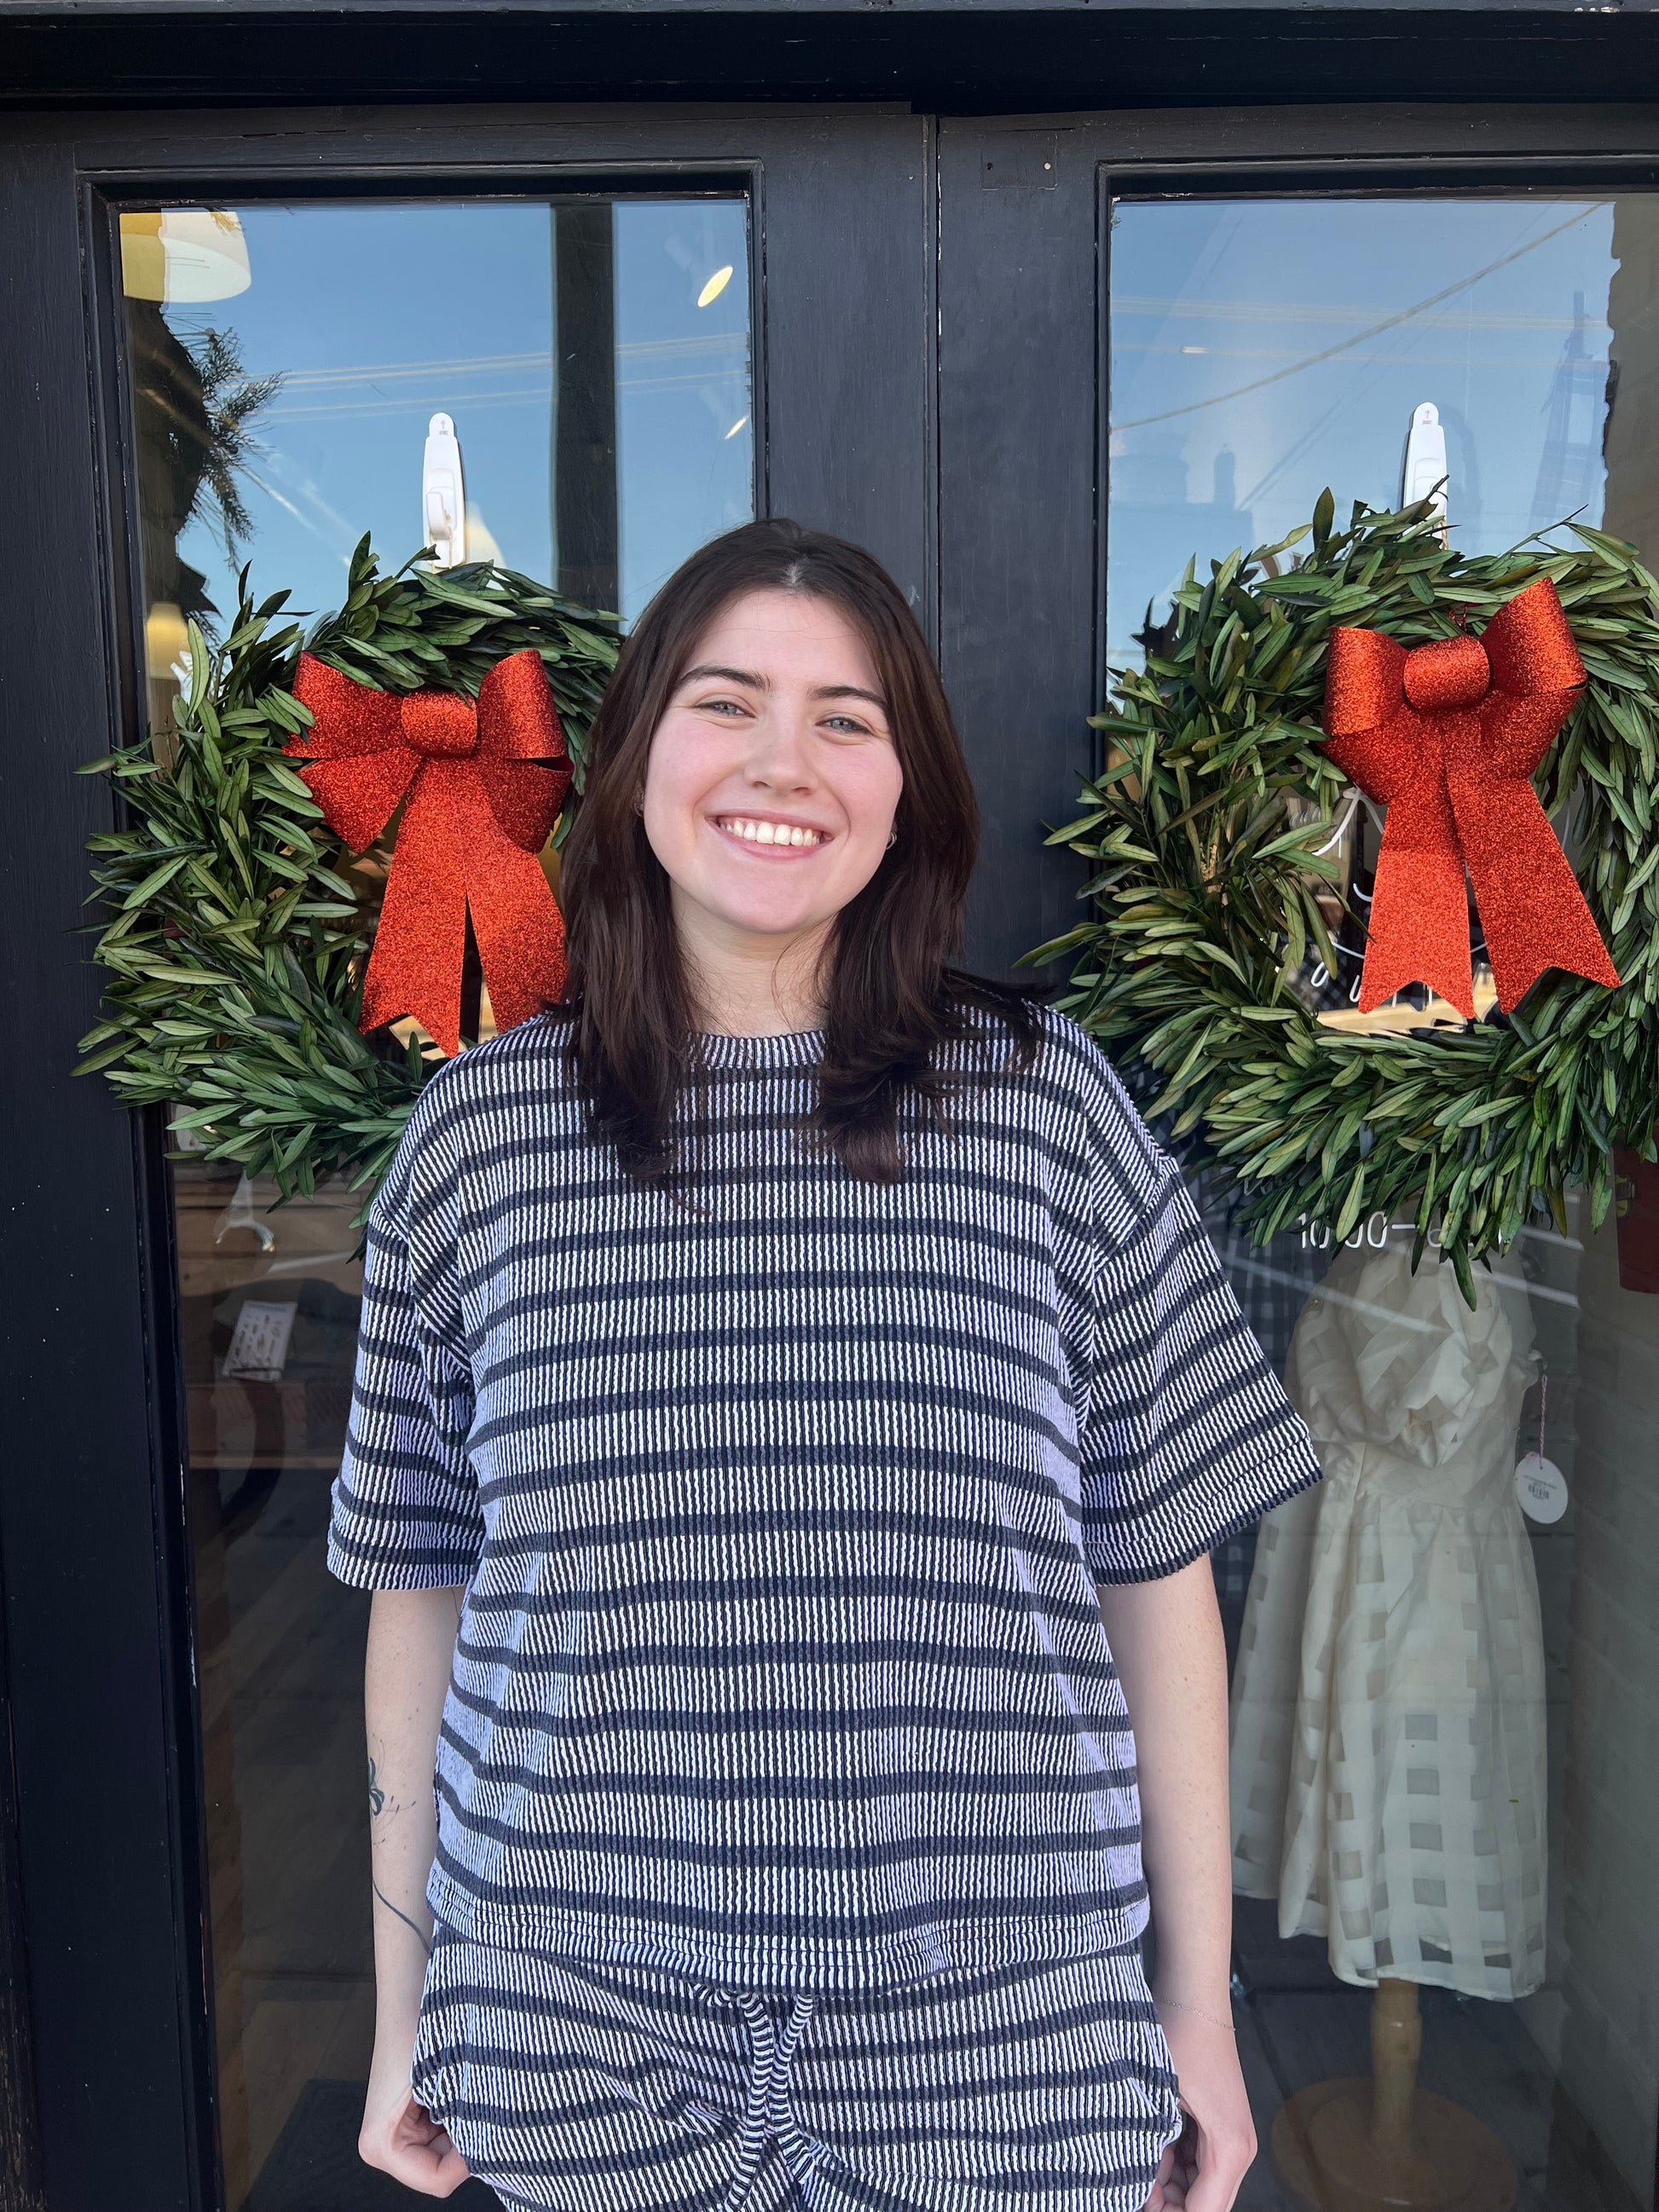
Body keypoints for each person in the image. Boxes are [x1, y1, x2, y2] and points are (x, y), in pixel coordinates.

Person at [328, 518, 1321, 2212]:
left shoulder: (1048, 1110)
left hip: (1004, 2035)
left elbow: (1156, 1573)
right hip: (575, 2019)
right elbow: (419, 1585)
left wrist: (1197, 2006)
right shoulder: (477, 1138)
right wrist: (400, 2005)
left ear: (905, 784)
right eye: (726, 702)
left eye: (844, 718)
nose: (781, 761)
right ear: (634, 754)